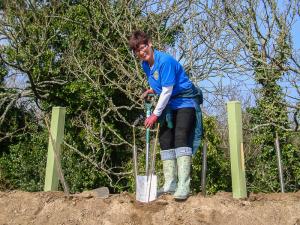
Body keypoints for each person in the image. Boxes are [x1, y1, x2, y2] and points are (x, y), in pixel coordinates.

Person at [128, 30, 203, 200]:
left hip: (185, 102)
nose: (141, 52)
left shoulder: (165, 61)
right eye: (137, 50)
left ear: (150, 44)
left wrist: (154, 115)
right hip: (170, 105)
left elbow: (168, 90)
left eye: (143, 47)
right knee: (164, 138)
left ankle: (184, 185)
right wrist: (151, 90)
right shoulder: (145, 65)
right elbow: (161, 86)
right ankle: (170, 183)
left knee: (180, 136)